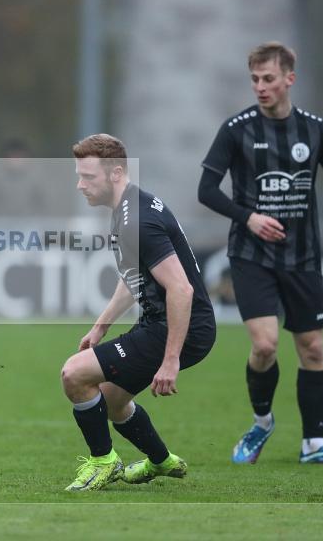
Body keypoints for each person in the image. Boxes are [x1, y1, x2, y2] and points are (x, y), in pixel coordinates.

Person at [198, 41, 323, 465]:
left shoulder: (316, 130)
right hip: (251, 255)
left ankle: (313, 446)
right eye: (254, 80)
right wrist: (248, 217)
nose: (260, 87)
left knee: (312, 348)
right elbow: (205, 190)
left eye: (268, 79)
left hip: (302, 258)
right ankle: (262, 423)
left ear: (289, 79)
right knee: (264, 346)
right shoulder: (236, 129)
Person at [61, 134, 216, 491]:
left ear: (116, 173)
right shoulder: (129, 208)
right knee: (114, 400)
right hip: (167, 323)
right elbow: (134, 279)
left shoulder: (136, 221)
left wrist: (171, 359)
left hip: (177, 328)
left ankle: (103, 462)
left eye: (88, 177)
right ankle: (161, 462)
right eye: (79, 175)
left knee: (74, 375)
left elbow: (181, 288)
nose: (80, 184)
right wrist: (101, 327)